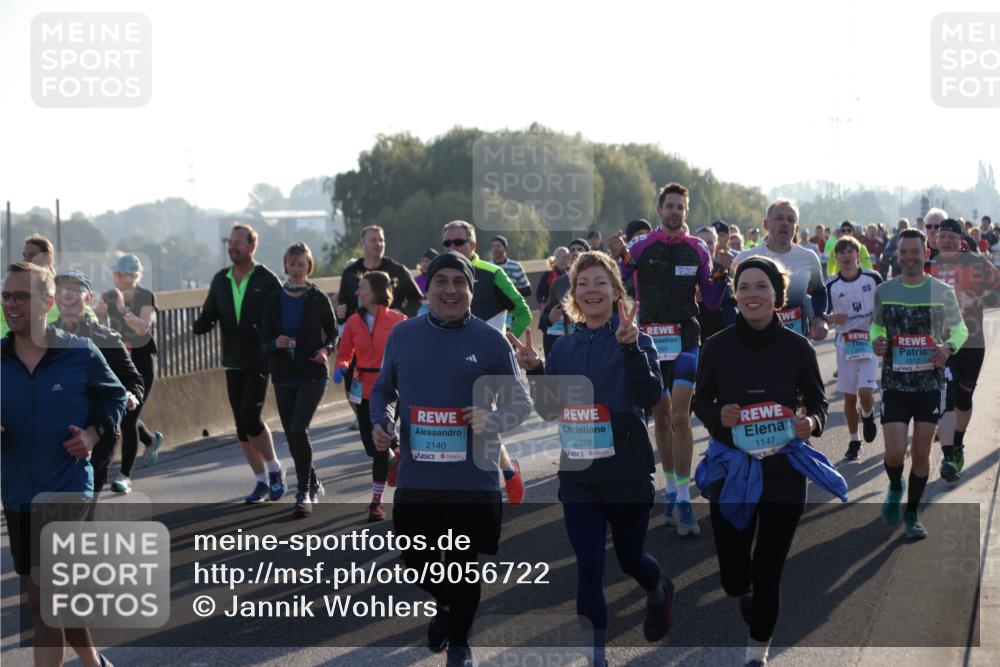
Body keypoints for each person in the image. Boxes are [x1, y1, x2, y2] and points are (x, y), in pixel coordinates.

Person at [508, 251, 673, 666]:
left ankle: (658, 590)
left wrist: (632, 348)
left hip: (627, 471)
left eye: (601, 282)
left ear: (616, 290)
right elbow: (551, 410)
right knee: (588, 565)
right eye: (583, 284)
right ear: (574, 295)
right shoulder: (563, 347)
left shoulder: (637, 338)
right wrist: (536, 371)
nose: (592, 290)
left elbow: (650, 398)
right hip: (579, 473)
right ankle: (595, 656)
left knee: (630, 559)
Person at [369, 251, 531, 667]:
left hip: (471, 478)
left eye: (460, 283)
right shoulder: (404, 336)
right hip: (417, 477)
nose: (451, 290)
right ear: (428, 288)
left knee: (462, 566)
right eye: (441, 281)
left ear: (471, 291)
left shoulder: (490, 341)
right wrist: (382, 422)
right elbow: (384, 390)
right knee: (416, 564)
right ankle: (448, 607)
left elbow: (521, 399)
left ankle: (459, 644)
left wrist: (493, 418)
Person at [693, 256, 846, 667]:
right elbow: (700, 401)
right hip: (731, 468)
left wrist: (810, 421)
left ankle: (756, 653)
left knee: (769, 569)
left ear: (777, 295)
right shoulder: (716, 346)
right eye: (744, 287)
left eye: (761, 286)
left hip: (783, 469)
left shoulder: (796, 346)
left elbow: (817, 401)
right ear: (736, 295)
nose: (751, 294)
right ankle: (744, 595)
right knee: (733, 578)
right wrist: (718, 415)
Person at [2, 261, 127, 667]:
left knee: (43, 598)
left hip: (67, 485)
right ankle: (94, 662)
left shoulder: (79, 353)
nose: (11, 304)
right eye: (6, 296)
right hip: (18, 489)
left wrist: (93, 434)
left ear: (47, 302)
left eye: (21, 296)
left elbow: (116, 398)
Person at [607, 182, 728, 536]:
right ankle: (672, 491)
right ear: (659, 210)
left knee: (680, 416)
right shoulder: (641, 246)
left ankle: (684, 497)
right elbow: (620, 284)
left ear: (686, 213)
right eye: (669, 206)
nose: (675, 211)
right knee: (661, 420)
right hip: (651, 342)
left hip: (688, 339)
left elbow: (713, 299)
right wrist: (618, 257)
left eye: (680, 207)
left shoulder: (698, 249)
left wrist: (721, 270)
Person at [871, 229, 967, 539]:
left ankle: (911, 514)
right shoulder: (885, 290)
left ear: (926, 253)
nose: (910, 257)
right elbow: (875, 328)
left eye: (916, 251)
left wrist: (947, 348)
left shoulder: (941, 291)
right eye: (904, 252)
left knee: (923, 454)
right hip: (895, 383)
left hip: (930, 384)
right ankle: (896, 483)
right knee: (895, 453)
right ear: (896, 255)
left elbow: (960, 330)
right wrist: (878, 342)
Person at [193, 223, 286, 503]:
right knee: (241, 427)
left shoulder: (266, 279)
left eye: (238, 242)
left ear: (252, 246)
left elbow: (280, 313)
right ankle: (260, 481)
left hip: (259, 359)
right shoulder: (221, 279)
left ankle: (274, 469)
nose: (232, 247)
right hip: (232, 360)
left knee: (251, 418)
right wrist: (202, 323)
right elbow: (210, 312)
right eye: (230, 243)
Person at [441, 220, 532, 503]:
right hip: (449, 363)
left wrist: (504, 341)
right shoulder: (440, 276)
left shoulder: (492, 273)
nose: (453, 248)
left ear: (473, 246)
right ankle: (506, 468)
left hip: (487, 367)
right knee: (457, 424)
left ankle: (500, 476)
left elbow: (523, 312)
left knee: (481, 423)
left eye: (460, 242)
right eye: (448, 243)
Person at [52, 270, 145, 494]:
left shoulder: (106, 339)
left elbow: (134, 379)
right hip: (55, 435)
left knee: (82, 506)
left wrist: (131, 394)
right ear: (54, 298)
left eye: (75, 290)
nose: (68, 295)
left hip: (98, 434)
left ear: (88, 298)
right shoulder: (42, 338)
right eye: (62, 290)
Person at [262, 243, 337, 517]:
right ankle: (313, 479)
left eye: (301, 264)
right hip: (283, 375)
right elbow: (263, 339)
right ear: (286, 266)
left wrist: (325, 350)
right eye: (292, 264)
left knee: (297, 430)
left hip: (313, 373)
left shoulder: (317, 298)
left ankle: (303, 491)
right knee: (293, 437)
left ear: (309, 268)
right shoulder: (274, 299)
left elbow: (333, 333)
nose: (296, 270)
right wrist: (275, 342)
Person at [926, 219, 1000, 481]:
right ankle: (950, 454)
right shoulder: (930, 265)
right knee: (947, 391)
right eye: (940, 235)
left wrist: (979, 298)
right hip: (941, 342)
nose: (944, 240)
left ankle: (957, 443)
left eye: (950, 236)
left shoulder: (976, 263)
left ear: (960, 239)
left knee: (964, 399)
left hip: (972, 340)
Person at [334, 270, 406, 521]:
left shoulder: (398, 320)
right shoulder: (354, 321)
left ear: (375, 291)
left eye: (361, 287)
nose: (356, 292)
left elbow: (409, 352)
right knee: (369, 442)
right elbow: (345, 352)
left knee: (379, 444)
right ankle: (396, 454)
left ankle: (376, 502)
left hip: (389, 389)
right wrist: (341, 367)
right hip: (362, 387)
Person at [95, 254, 164, 490]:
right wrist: (99, 310)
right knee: (125, 414)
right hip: (119, 363)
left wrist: (124, 311)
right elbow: (95, 322)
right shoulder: (109, 295)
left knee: (128, 419)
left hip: (142, 364)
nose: (116, 277)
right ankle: (150, 439)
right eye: (115, 273)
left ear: (133, 275)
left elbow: (144, 328)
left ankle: (124, 476)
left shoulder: (145, 296)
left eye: (120, 274)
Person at [822, 237, 883, 460]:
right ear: (836, 257)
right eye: (842, 252)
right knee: (849, 397)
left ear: (858, 255)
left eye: (850, 251)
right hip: (844, 343)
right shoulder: (830, 284)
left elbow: (883, 304)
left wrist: (879, 324)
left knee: (866, 393)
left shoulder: (873, 277)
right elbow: (823, 316)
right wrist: (830, 318)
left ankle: (867, 414)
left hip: (868, 342)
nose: (846, 256)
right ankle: (854, 440)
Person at [735, 199, 828, 343]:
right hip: (754, 344)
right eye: (779, 218)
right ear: (766, 224)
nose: (785, 223)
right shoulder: (746, 258)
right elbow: (731, 300)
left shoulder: (809, 258)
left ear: (796, 228)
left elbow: (819, 291)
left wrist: (820, 318)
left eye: (791, 220)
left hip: (796, 343)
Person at [537, 246, 572, 357]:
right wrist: (543, 305)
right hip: (552, 318)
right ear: (554, 259)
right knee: (552, 352)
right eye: (559, 257)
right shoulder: (548, 276)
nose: (562, 260)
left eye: (565, 257)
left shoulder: (575, 276)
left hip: (570, 320)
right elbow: (539, 292)